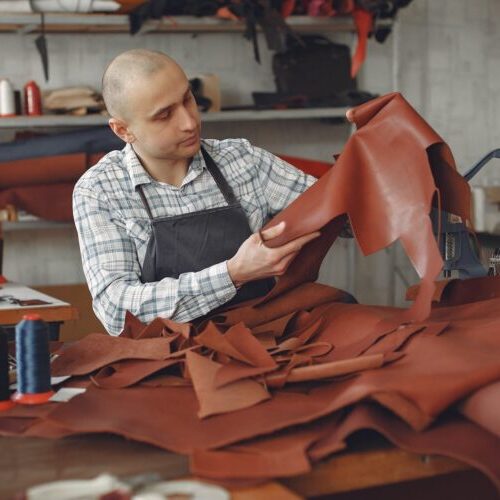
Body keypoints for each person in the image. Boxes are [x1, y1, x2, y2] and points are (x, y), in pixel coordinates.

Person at [73, 49, 321, 335]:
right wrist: (233, 274)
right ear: (123, 130)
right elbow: (117, 312)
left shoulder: (242, 160)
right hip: (166, 356)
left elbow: (336, 213)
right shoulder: (100, 190)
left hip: (262, 337)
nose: (189, 122)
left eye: (188, 99)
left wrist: (372, 153)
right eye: (164, 115)